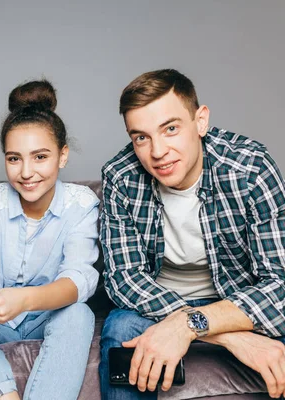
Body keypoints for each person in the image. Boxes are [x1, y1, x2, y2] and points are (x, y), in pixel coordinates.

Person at [99, 69, 285, 400]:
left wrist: (190, 326)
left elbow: (280, 284)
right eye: (141, 137)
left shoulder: (250, 168)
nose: (157, 152)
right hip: (158, 301)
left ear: (200, 122)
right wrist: (225, 334)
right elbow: (124, 279)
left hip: (238, 301)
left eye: (170, 129)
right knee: (121, 327)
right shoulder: (121, 176)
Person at [0, 80, 100, 400]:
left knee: (80, 314)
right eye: (14, 159)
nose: (26, 172)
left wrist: (23, 300)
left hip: (47, 316)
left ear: (62, 156)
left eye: (40, 157)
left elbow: (79, 279)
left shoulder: (81, 203)